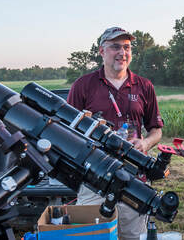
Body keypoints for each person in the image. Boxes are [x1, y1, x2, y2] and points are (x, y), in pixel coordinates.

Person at [67, 27, 164, 240]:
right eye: (115, 47)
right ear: (101, 51)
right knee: (94, 235)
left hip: (134, 177)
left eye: (127, 47)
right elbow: (67, 129)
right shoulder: (83, 85)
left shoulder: (144, 86)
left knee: (132, 235)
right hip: (94, 177)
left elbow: (156, 131)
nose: (122, 52)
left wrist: (146, 143)